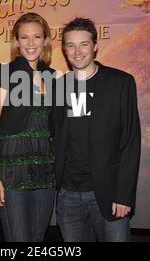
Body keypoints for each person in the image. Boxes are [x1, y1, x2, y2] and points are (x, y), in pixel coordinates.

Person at [52, 17, 141, 242]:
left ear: (95, 47)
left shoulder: (120, 83)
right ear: (64, 49)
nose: (77, 51)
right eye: (70, 45)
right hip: (67, 197)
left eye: (84, 44)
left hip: (109, 196)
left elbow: (131, 142)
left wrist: (124, 196)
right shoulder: (58, 87)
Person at [0, 12, 56, 241]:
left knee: (37, 239)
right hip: (12, 171)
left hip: (46, 171)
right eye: (25, 37)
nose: (31, 43)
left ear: (45, 40)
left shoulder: (54, 77)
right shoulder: (3, 73)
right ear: (16, 41)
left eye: (37, 37)